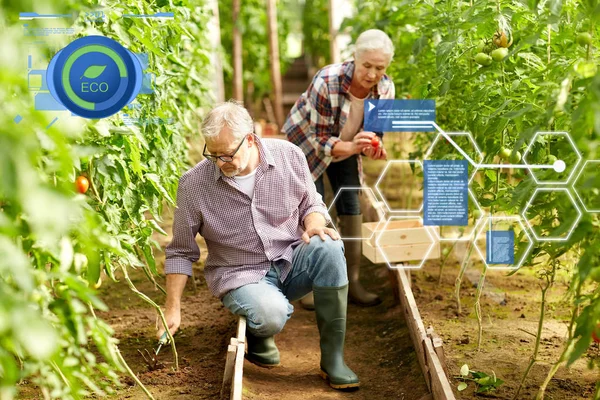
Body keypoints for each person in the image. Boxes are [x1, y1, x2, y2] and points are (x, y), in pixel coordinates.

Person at [157, 101, 359, 390]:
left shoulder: (289, 156)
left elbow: (311, 202)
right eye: (212, 154)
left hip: (290, 258)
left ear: (250, 139)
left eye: (227, 153)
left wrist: (315, 223)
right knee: (269, 314)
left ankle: (333, 359)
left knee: (328, 245)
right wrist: (172, 307)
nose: (220, 161)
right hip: (240, 272)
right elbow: (180, 251)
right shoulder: (193, 185)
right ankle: (260, 328)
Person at [283, 29, 396, 308]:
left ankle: (352, 281)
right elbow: (321, 141)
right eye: (366, 66)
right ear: (355, 59)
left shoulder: (386, 89)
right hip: (307, 145)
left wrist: (372, 145)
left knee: (351, 205)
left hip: (346, 145)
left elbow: (375, 134)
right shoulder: (327, 80)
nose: (371, 74)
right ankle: (307, 284)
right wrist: (354, 146)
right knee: (309, 208)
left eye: (379, 68)